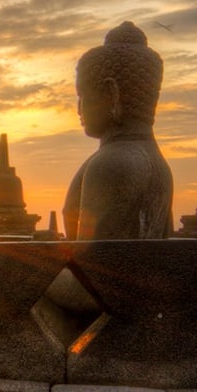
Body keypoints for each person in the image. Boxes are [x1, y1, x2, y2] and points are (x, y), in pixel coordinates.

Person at [61, 21, 173, 240]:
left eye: (82, 96)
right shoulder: (157, 163)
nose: (78, 109)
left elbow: (93, 264)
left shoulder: (113, 164)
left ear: (111, 95)